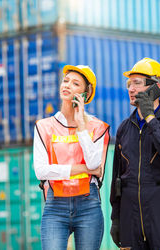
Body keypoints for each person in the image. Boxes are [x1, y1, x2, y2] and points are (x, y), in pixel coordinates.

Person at [109, 58, 160, 249]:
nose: (130, 89)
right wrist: (116, 219)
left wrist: (151, 119)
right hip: (131, 218)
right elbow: (117, 179)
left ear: (157, 87)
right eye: (129, 84)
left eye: (137, 83)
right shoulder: (124, 128)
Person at [33, 65, 110, 250]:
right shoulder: (44, 126)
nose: (67, 85)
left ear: (85, 94)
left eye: (75, 83)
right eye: (65, 80)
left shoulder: (97, 127)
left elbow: (95, 164)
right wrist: (83, 169)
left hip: (88, 205)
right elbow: (41, 171)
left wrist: (81, 126)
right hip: (55, 205)